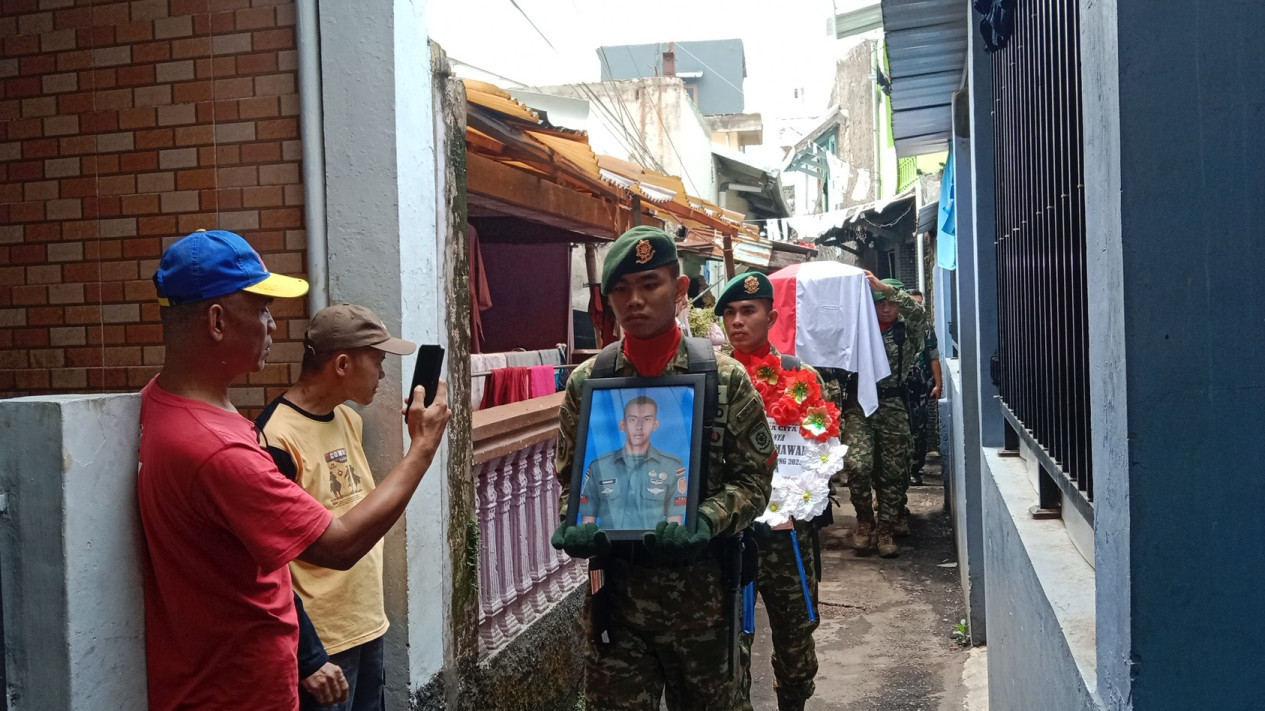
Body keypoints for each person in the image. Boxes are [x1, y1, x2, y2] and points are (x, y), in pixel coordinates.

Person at [137, 229, 451, 711]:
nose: (273, 327)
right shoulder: (222, 448)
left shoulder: (164, 406)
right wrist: (423, 449)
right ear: (217, 321)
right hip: (240, 692)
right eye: (262, 309)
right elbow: (338, 544)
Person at [551, 226, 775, 711]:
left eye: (649, 284)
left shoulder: (723, 379)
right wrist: (577, 521)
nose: (635, 299)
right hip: (618, 603)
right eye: (621, 289)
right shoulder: (590, 383)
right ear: (607, 299)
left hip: (706, 606)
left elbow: (755, 483)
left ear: (679, 290)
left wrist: (707, 518)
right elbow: (572, 482)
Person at [255, 303, 419, 710]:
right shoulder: (274, 437)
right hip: (321, 644)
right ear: (342, 363)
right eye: (377, 361)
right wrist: (307, 653)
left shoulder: (348, 419)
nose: (383, 374)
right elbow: (268, 560)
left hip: (366, 625)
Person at [715, 271, 836, 711]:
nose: (737, 321)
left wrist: (801, 498)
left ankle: (794, 703)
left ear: (772, 316)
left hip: (787, 531)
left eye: (748, 311)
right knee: (731, 638)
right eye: (729, 313)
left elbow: (823, 442)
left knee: (796, 630)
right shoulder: (713, 379)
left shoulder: (800, 377)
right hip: (730, 534)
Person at [841, 274, 927, 558]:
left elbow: (919, 313)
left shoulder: (907, 330)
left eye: (891, 303)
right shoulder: (859, 328)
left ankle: (886, 528)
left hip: (892, 405)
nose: (886, 308)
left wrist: (885, 288)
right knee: (857, 464)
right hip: (859, 405)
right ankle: (865, 520)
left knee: (893, 472)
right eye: (880, 303)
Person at [578, 395, 688, 529]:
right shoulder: (599, 467)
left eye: (647, 419)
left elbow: (674, 526)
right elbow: (588, 523)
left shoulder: (672, 467)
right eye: (632, 419)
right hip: (608, 548)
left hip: (653, 548)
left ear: (655, 424)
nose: (639, 426)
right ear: (622, 425)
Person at [905, 290, 942, 486]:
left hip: (920, 385)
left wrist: (938, 383)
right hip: (900, 386)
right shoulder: (898, 325)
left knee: (919, 429)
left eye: (920, 304)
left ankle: (915, 469)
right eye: (913, 303)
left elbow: (933, 356)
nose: (917, 307)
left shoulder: (926, 328)